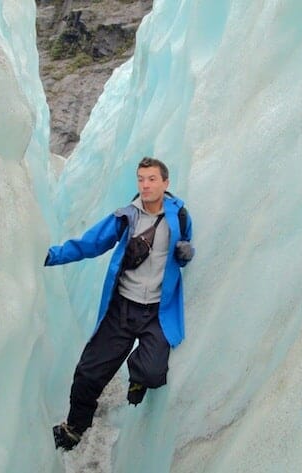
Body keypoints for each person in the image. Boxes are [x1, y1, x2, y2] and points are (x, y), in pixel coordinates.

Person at [44, 157, 195, 451]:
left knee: (153, 373)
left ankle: (136, 375)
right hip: (122, 309)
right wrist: (53, 255)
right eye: (141, 179)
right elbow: (91, 244)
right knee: (88, 373)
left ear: (166, 183)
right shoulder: (126, 217)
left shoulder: (180, 218)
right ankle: (75, 427)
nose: (145, 185)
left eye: (152, 179)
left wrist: (187, 253)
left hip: (156, 312)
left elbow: (185, 248)